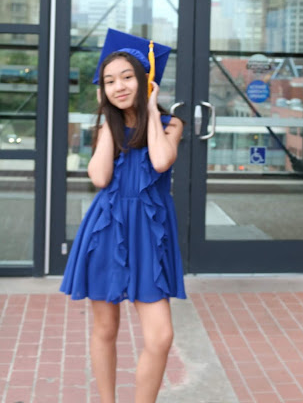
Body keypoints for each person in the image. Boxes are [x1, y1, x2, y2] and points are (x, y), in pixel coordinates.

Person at [60, 28, 186, 403]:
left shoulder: (170, 124)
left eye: (127, 77)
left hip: (149, 233)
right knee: (105, 329)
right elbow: (99, 178)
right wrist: (108, 122)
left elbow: (161, 161)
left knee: (160, 336)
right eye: (110, 81)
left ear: (146, 80)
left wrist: (150, 109)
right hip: (107, 229)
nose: (118, 86)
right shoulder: (106, 129)